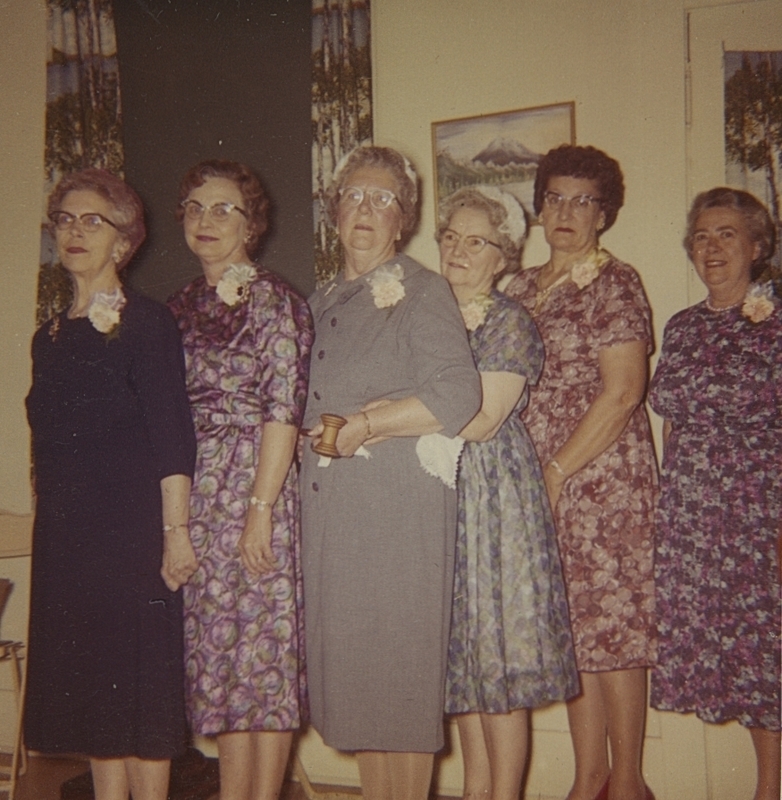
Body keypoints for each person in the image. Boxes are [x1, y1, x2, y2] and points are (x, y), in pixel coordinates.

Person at [300, 145, 481, 800]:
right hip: (336, 523)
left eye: (382, 199)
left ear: (402, 220)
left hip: (394, 523)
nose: (365, 209)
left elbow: (457, 396)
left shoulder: (421, 291)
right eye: (354, 195)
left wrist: (368, 424)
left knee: (396, 701)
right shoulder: (323, 298)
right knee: (364, 700)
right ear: (335, 211)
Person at [25, 169, 197, 800]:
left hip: (132, 537)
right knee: (97, 698)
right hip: (68, 541)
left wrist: (175, 535)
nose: (75, 231)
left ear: (123, 240)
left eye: (93, 220)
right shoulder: (48, 337)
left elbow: (172, 436)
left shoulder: (146, 323)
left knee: (139, 698)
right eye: (66, 220)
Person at [505, 145, 657, 800]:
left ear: (605, 213)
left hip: (600, 483)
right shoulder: (514, 287)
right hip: (538, 486)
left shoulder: (615, 282)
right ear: (540, 208)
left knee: (615, 633)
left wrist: (560, 469)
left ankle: (626, 782)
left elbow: (624, 392)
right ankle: (587, 777)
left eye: (582, 200)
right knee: (573, 634)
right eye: (555, 197)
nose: (565, 211)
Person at [167, 159, 313, 800]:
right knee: (222, 655)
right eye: (196, 206)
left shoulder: (275, 299)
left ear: (251, 224)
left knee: (266, 658)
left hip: (260, 488)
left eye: (224, 208)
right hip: (198, 492)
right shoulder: (176, 307)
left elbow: (285, 409)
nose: (207, 219)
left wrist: (260, 507)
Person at [438, 185, 579, 800]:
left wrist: (387, 416)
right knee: (462, 663)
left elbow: (484, 420)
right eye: (450, 238)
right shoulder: (427, 314)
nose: (459, 251)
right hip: (440, 494)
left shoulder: (510, 320)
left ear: (504, 257)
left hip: (492, 498)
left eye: (477, 242)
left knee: (495, 659)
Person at [649, 188, 781, 800]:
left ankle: (769, 789)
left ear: (757, 245)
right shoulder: (683, 327)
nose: (711, 247)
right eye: (702, 236)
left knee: (766, 649)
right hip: (693, 511)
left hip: (758, 509)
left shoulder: (778, 318)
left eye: (727, 234)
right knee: (727, 648)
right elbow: (672, 420)